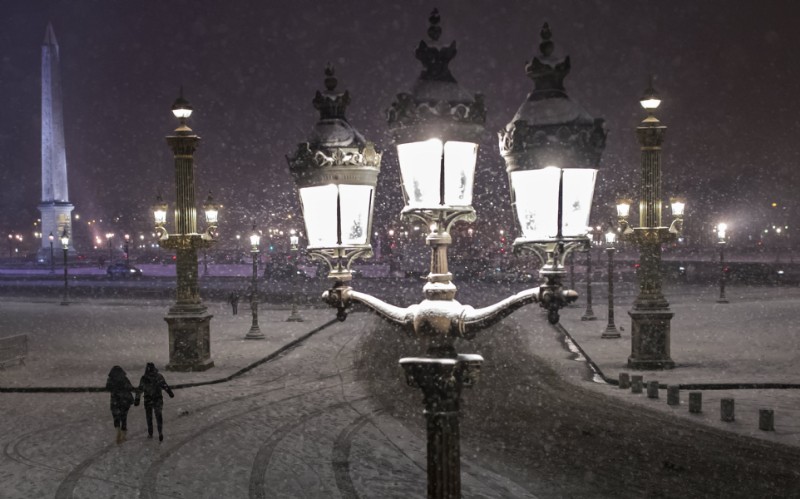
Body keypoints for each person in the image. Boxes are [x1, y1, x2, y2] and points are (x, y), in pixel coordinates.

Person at [134, 362, 174, 442]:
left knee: (149, 417)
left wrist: (137, 399)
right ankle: (160, 431)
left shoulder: (144, 378)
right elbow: (165, 385)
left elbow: (140, 389)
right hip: (157, 399)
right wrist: (170, 393)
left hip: (148, 399)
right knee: (158, 416)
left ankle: (150, 432)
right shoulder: (159, 376)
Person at [105, 366, 135, 444]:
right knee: (124, 417)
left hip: (115, 401)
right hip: (125, 401)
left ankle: (118, 429)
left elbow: (108, 388)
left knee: (116, 417)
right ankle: (123, 433)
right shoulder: (124, 379)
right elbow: (130, 387)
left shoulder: (111, 380)